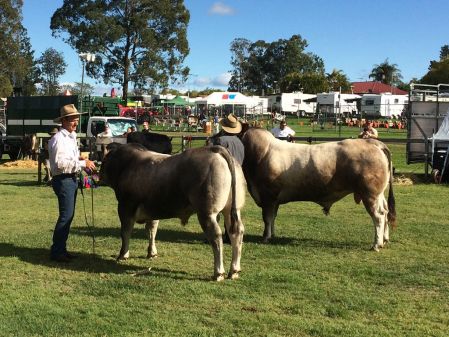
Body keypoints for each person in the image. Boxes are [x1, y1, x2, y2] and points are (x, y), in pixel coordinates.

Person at [48, 104, 96, 262]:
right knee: (66, 216)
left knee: (68, 215)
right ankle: (57, 252)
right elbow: (60, 164)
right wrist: (83, 164)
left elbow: (68, 159)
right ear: (64, 121)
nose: (76, 123)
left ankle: (61, 249)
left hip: (71, 179)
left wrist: (79, 159)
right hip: (63, 180)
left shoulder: (71, 137)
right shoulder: (58, 139)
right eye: (72, 120)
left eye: (77, 120)